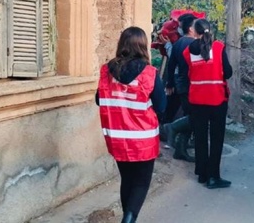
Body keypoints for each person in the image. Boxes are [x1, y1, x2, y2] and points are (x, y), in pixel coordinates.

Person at [96, 26, 166, 223]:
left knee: (127, 180)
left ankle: (128, 217)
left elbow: (98, 99)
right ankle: (129, 218)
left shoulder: (106, 71)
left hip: (117, 137)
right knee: (141, 182)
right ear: (143, 46)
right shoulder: (150, 73)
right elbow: (161, 106)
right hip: (143, 139)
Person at [183, 19, 233, 189]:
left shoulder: (187, 51)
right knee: (217, 138)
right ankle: (214, 176)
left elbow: (188, 73)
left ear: (194, 32)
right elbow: (228, 72)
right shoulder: (218, 47)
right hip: (217, 99)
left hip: (196, 100)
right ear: (209, 30)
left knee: (200, 137)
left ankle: (202, 174)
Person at [162, 14, 198, 162]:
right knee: (193, 116)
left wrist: (170, 83)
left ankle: (180, 148)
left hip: (180, 83)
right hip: (192, 83)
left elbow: (171, 65)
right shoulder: (194, 44)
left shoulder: (178, 43)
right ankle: (171, 129)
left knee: (189, 114)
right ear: (191, 28)